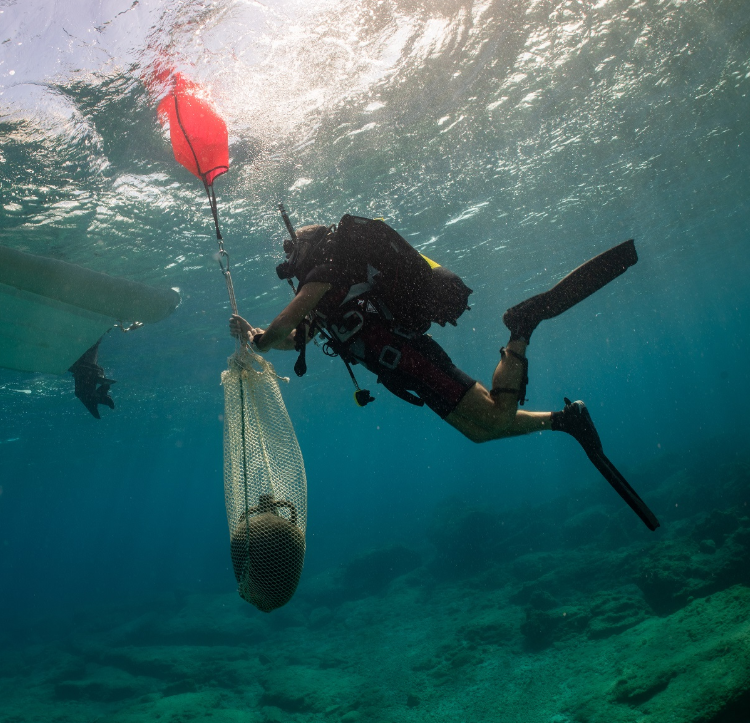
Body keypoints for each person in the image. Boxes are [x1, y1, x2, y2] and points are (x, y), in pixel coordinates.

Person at [229, 215, 659, 530]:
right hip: (406, 372)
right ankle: (564, 420)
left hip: (415, 359)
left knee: (495, 417)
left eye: (292, 249)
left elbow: (284, 326)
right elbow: (292, 337)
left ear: (309, 245)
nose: (289, 259)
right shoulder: (327, 295)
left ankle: (522, 326)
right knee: (479, 431)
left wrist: (261, 339)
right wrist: (255, 336)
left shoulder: (325, 273)